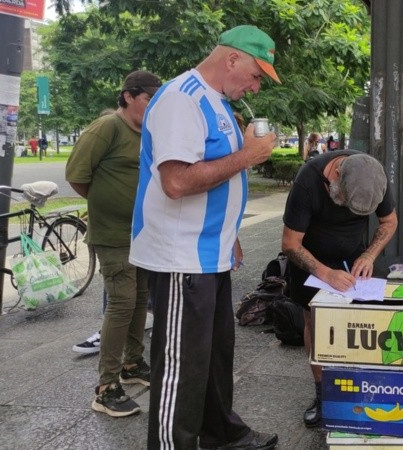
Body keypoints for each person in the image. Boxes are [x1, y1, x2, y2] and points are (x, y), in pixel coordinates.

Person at [129, 25, 280, 449]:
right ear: (231, 59)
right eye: (255, 75)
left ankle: (220, 434)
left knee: (214, 356)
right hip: (181, 256)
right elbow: (176, 182)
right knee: (183, 365)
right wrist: (249, 155)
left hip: (208, 251)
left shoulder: (214, 101)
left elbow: (221, 177)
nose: (254, 86)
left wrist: (229, 233)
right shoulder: (182, 99)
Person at [66, 70, 162, 417]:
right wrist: (107, 203)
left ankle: (132, 364)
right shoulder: (106, 127)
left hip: (142, 233)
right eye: (148, 99)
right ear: (127, 96)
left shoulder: (148, 132)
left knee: (138, 300)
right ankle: (106, 388)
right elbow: (77, 176)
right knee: (121, 303)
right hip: (113, 235)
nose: (153, 106)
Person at [281, 150, 397, 429]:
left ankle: (357, 388)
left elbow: (389, 221)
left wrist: (369, 255)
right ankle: (323, 395)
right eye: (345, 202)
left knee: (359, 324)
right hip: (310, 263)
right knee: (316, 322)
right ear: (335, 178)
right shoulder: (307, 182)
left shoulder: (372, 175)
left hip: (352, 259)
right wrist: (325, 273)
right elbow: (290, 244)